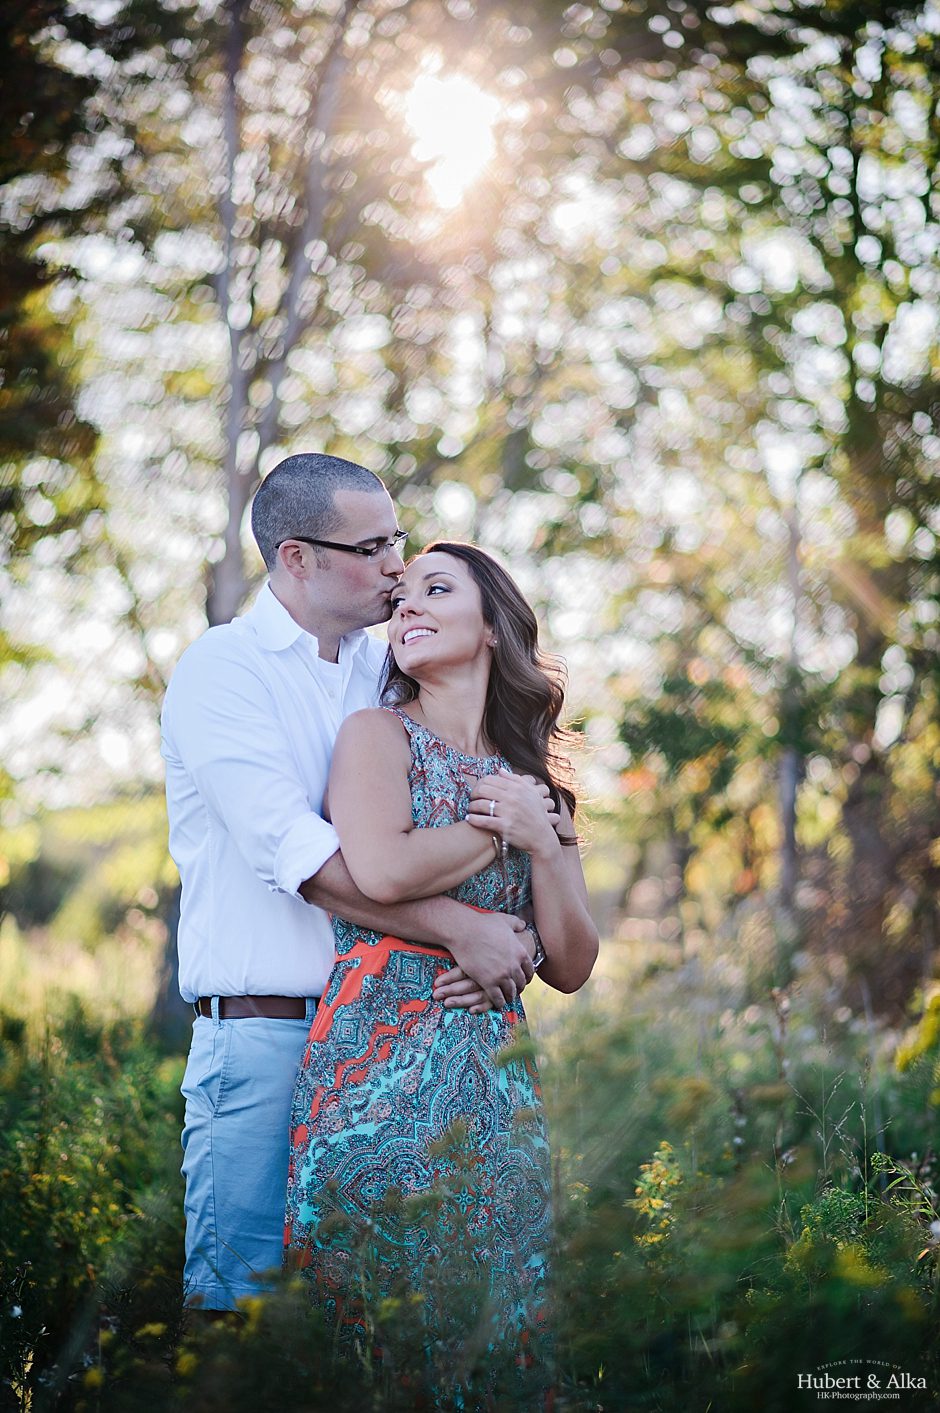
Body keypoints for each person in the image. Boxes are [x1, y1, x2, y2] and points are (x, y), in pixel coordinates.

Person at [160, 456, 537, 1312]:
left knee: (364, 1320)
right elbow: (306, 863)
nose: (398, 568)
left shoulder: (389, 667)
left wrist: (525, 922)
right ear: (298, 558)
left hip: (395, 1041)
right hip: (268, 1033)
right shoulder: (224, 670)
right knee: (244, 1313)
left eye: (397, 541)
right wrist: (463, 930)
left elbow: (465, 792)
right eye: (373, 549)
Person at [284, 542, 598, 1399]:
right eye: (401, 599)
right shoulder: (377, 734)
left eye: (434, 589)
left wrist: (543, 842)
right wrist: (500, 832)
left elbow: (572, 962)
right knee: (374, 1331)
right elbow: (381, 870)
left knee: (497, 1328)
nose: (407, 607)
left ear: (493, 625)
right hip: (371, 1078)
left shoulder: (537, 788)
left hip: (495, 1090)